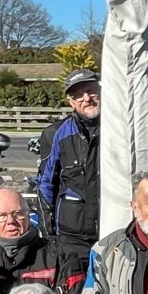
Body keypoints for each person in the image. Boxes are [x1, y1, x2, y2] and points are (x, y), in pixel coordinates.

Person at [38, 68, 102, 261]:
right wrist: (49, 236)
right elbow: (45, 186)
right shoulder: (55, 134)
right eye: (78, 95)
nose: (86, 99)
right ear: (71, 102)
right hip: (72, 237)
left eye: (91, 91)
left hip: (113, 229)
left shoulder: (119, 129)